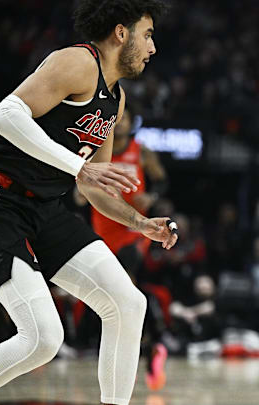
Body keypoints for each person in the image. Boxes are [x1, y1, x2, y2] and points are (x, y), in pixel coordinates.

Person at [0, 1, 177, 405]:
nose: (153, 48)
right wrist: (76, 169)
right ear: (121, 33)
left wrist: (138, 221)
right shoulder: (78, 62)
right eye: (147, 35)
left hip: (43, 207)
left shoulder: (117, 100)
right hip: (0, 201)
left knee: (128, 304)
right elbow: (5, 114)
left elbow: (96, 185)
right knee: (43, 338)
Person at [87, 106, 170, 391]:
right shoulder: (97, 152)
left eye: (126, 120)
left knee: (126, 281)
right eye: (117, 119)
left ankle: (140, 350)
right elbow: (80, 187)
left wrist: (153, 196)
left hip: (134, 228)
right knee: (117, 293)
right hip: (104, 227)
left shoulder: (141, 151)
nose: (121, 124)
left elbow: (162, 180)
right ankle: (151, 345)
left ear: (133, 123)